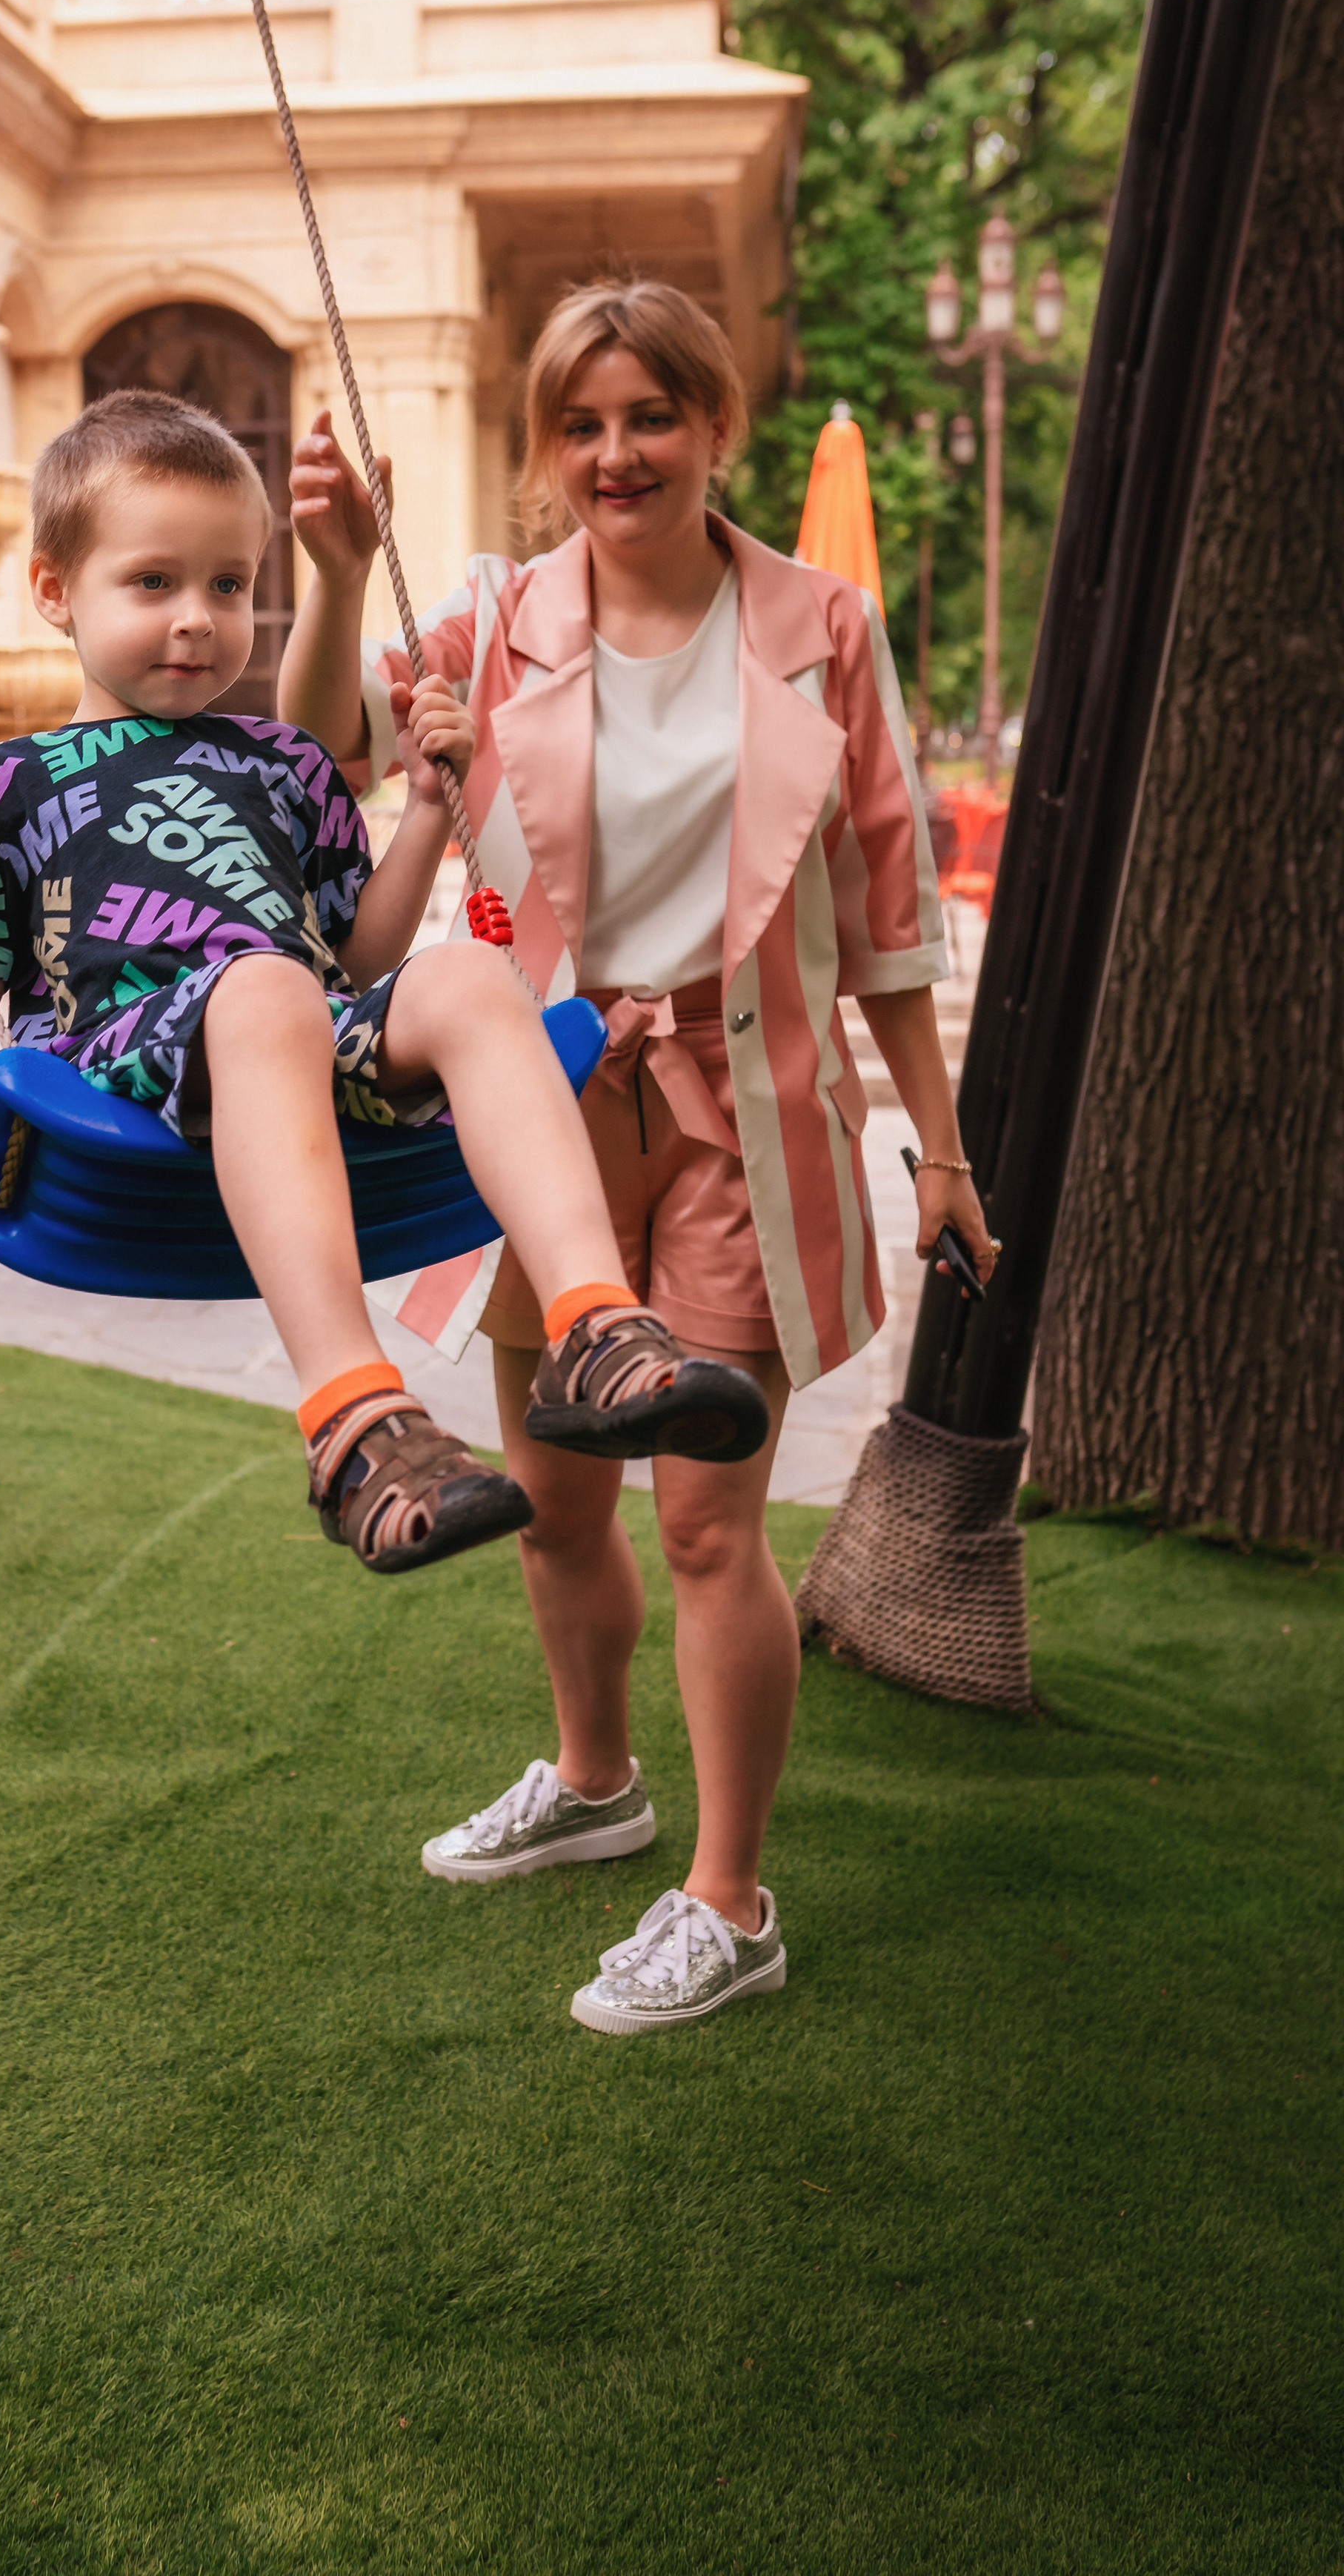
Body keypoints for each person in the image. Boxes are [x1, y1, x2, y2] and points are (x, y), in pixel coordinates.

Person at [279, 279, 995, 2031]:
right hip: (546, 1111)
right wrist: (338, 577)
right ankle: (596, 1786)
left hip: (744, 1125)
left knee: (700, 1526)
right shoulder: (487, 615)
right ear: (546, 449)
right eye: (582, 423)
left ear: (711, 426)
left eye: (650, 414)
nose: (617, 452)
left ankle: (729, 1896)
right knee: (553, 1499)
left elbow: (884, 915)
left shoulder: (818, 624)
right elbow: (317, 752)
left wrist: (945, 1156)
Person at [0, 386, 768, 1579]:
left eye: (230, 586)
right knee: (264, 991)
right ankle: (353, 1420)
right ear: (52, 592)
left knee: (461, 981)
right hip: (126, 1060)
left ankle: (594, 1325)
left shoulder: (283, 759)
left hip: (300, 1024)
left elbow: (363, 953)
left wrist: (432, 813)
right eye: (154, 584)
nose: (197, 620)